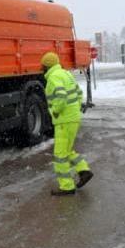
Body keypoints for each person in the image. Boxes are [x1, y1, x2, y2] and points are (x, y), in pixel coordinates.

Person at [42, 51, 92, 196]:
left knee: (60, 155)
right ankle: (84, 171)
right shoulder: (66, 74)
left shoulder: (53, 77)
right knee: (67, 150)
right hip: (73, 118)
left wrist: (55, 111)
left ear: (46, 66)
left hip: (64, 120)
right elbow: (78, 93)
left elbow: (61, 96)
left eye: (43, 66)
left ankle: (67, 186)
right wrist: (74, 109)